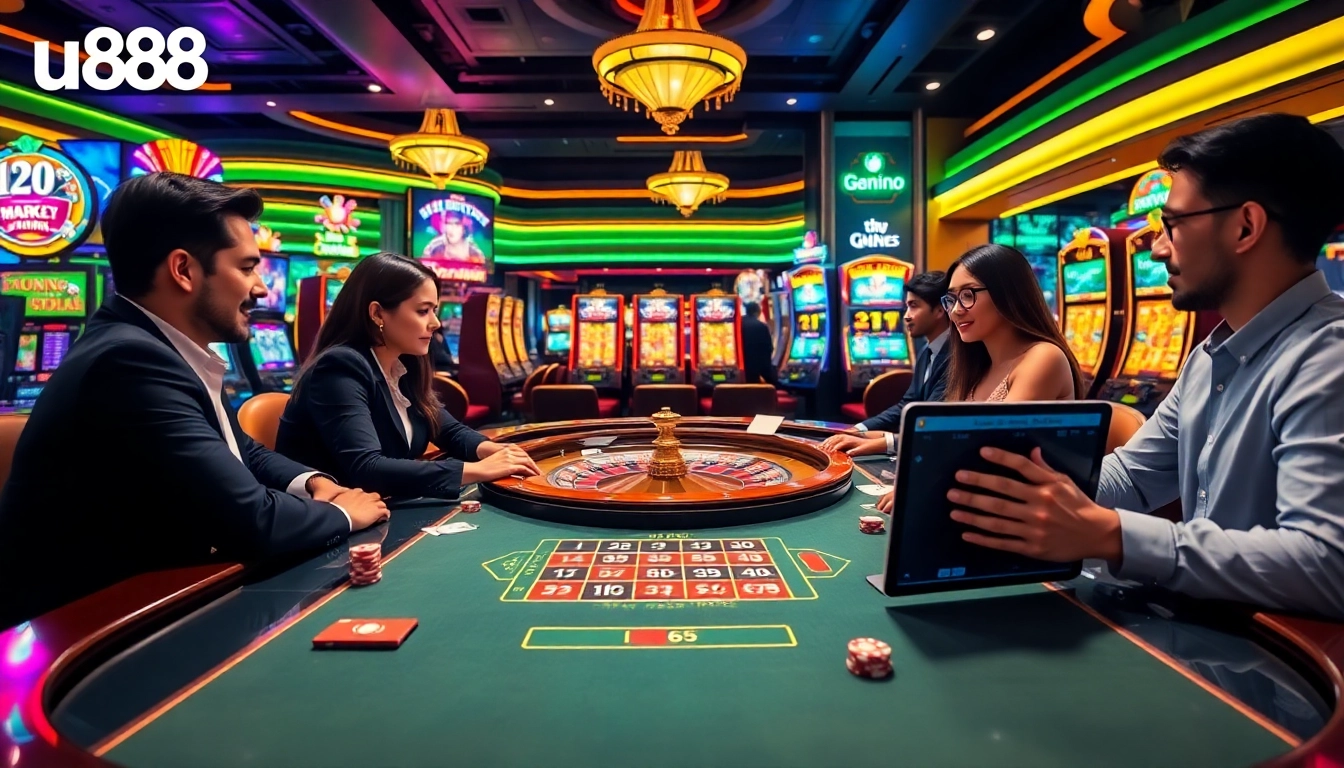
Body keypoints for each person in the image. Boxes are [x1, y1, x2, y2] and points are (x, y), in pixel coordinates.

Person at [941, 113, 1344, 618]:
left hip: (1275, 653)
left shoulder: (1328, 357)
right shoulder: (1208, 357)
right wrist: (1007, 491)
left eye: (1172, 226)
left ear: (1246, 226)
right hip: (1199, 621)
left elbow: (1327, 564)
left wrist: (1114, 535)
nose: (1156, 249)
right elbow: (1131, 476)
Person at [0, 173, 387, 628]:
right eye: (246, 268)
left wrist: (313, 482)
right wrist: (341, 512)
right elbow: (253, 520)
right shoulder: (127, 361)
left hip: (152, 598)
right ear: (183, 270)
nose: (261, 288)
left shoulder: (160, 348)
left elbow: (242, 450)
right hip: (85, 631)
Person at [276, 253, 539, 500]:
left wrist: (493, 450)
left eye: (434, 310)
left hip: (382, 508)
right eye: (423, 311)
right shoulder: (339, 367)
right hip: (329, 518)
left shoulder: (401, 365)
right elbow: (367, 468)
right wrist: (477, 470)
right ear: (377, 313)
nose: (435, 323)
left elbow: (448, 430)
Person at [860, 247, 1082, 463]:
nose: (956, 310)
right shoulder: (975, 363)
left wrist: (889, 446)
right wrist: (862, 436)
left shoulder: (1043, 357)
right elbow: (943, 437)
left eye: (967, 295)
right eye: (951, 299)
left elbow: (990, 452)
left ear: (1007, 293)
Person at [821, 270, 951, 455]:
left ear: (939, 310)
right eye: (906, 306)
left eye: (914, 306)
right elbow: (907, 405)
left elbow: (929, 423)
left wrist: (876, 442)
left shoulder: (956, 357)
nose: (906, 316)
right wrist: (858, 429)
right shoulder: (926, 351)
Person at [740, 301, 777, 385]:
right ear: (758, 312)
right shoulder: (761, 326)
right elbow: (769, 349)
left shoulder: (739, 323)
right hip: (755, 368)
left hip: (740, 366)